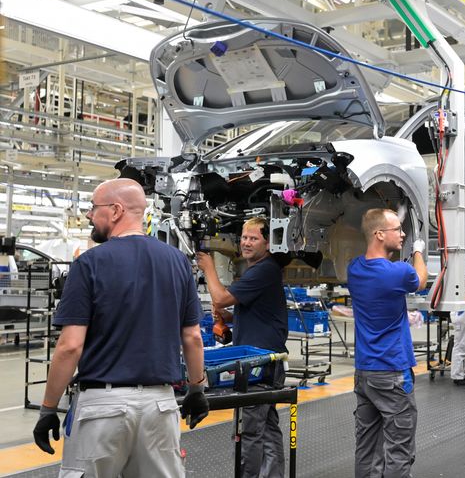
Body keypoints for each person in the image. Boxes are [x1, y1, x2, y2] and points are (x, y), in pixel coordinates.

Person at [32, 179, 208, 477]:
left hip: (102, 409)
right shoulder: (178, 261)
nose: (89, 215)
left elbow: (70, 346)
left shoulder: (89, 264)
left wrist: (48, 408)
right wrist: (196, 388)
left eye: (93, 207)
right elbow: (192, 336)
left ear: (115, 210)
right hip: (160, 407)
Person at [197, 217, 288, 478]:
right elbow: (256, 312)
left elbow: (222, 297)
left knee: (250, 431)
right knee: (267, 429)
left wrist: (209, 267)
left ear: (268, 243)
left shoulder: (265, 269)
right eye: (245, 238)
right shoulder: (260, 270)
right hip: (265, 362)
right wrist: (228, 318)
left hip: (261, 365)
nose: (247, 243)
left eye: (254, 238)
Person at [347, 208, 428, 478]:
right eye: (398, 230)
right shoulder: (398, 272)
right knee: (399, 450)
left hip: (365, 374)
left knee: (367, 448)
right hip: (392, 373)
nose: (403, 234)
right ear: (379, 234)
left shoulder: (355, 268)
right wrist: (418, 250)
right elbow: (420, 280)